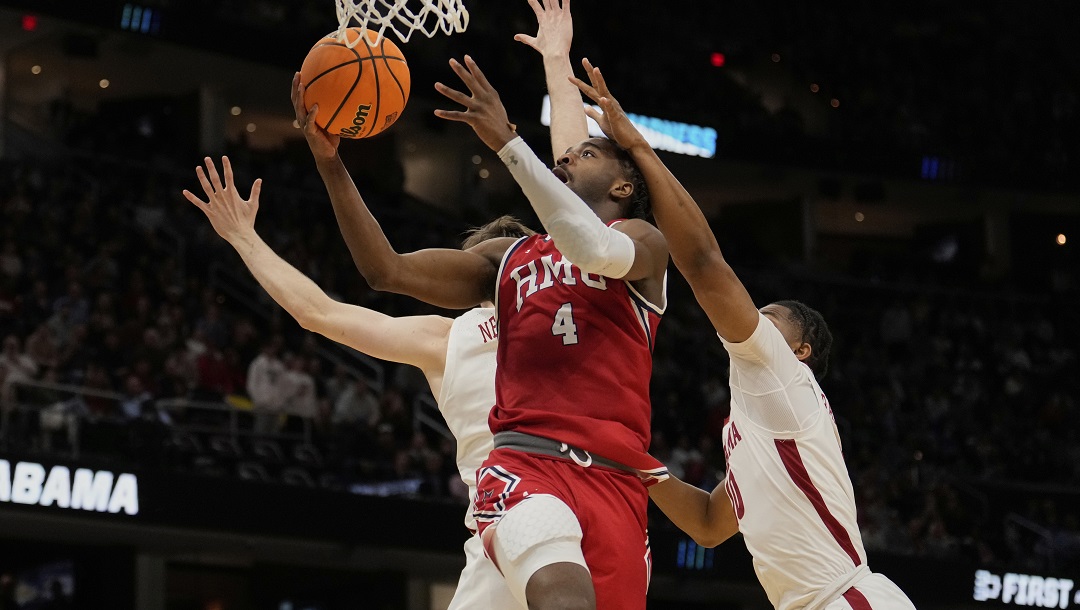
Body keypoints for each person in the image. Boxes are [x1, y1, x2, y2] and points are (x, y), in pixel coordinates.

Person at [292, 23, 668, 610]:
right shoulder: (507, 259)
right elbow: (385, 271)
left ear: (624, 183)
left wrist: (540, 90)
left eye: (584, 154)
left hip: (616, 480)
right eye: (562, 157)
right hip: (528, 465)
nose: (566, 158)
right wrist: (331, 163)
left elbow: (589, 244)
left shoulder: (641, 243)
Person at [569, 61, 916, 610]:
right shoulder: (756, 424)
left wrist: (639, 149)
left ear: (798, 350)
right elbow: (710, 524)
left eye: (771, 315)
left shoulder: (779, 375)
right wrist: (641, 465)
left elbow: (705, 264)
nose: (755, 315)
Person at [182, 156, 531, 609]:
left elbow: (318, 313)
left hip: (515, 519)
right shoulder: (473, 333)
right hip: (530, 517)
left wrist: (245, 238)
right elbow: (319, 313)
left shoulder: (444, 337)